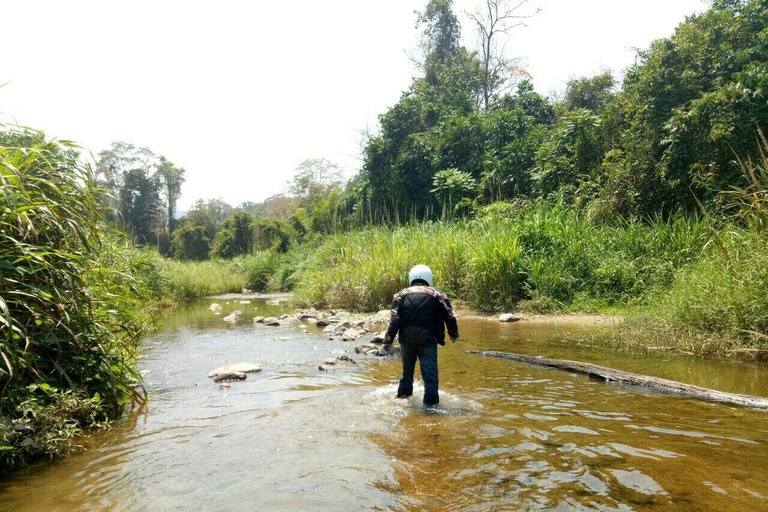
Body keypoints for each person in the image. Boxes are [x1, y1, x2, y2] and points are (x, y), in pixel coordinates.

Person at [383, 264, 459, 406]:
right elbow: (449, 316)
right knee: (430, 377)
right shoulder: (437, 294)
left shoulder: (399, 295)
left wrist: (387, 341)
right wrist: (453, 334)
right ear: (428, 277)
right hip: (428, 341)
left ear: (411, 277)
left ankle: (402, 402)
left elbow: (394, 320)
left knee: (406, 375)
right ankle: (431, 409)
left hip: (406, 341)